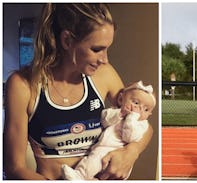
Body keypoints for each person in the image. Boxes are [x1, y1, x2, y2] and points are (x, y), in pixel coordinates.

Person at [3, 3, 153, 180]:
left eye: (107, 48)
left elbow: (145, 124)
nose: (105, 59)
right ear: (67, 40)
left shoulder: (104, 74)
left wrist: (131, 152)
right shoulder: (22, 85)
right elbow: (15, 167)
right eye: (96, 49)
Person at [61, 81, 156, 180]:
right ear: (120, 99)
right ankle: (80, 176)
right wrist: (120, 114)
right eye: (136, 103)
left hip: (116, 154)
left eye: (146, 109)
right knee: (91, 163)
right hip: (101, 149)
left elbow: (129, 137)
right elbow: (104, 120)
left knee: (94, 163)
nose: (139, 109)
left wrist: (131, 119)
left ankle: (79, 176)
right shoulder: (115, 112)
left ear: (149, 114)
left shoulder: (142, 125)